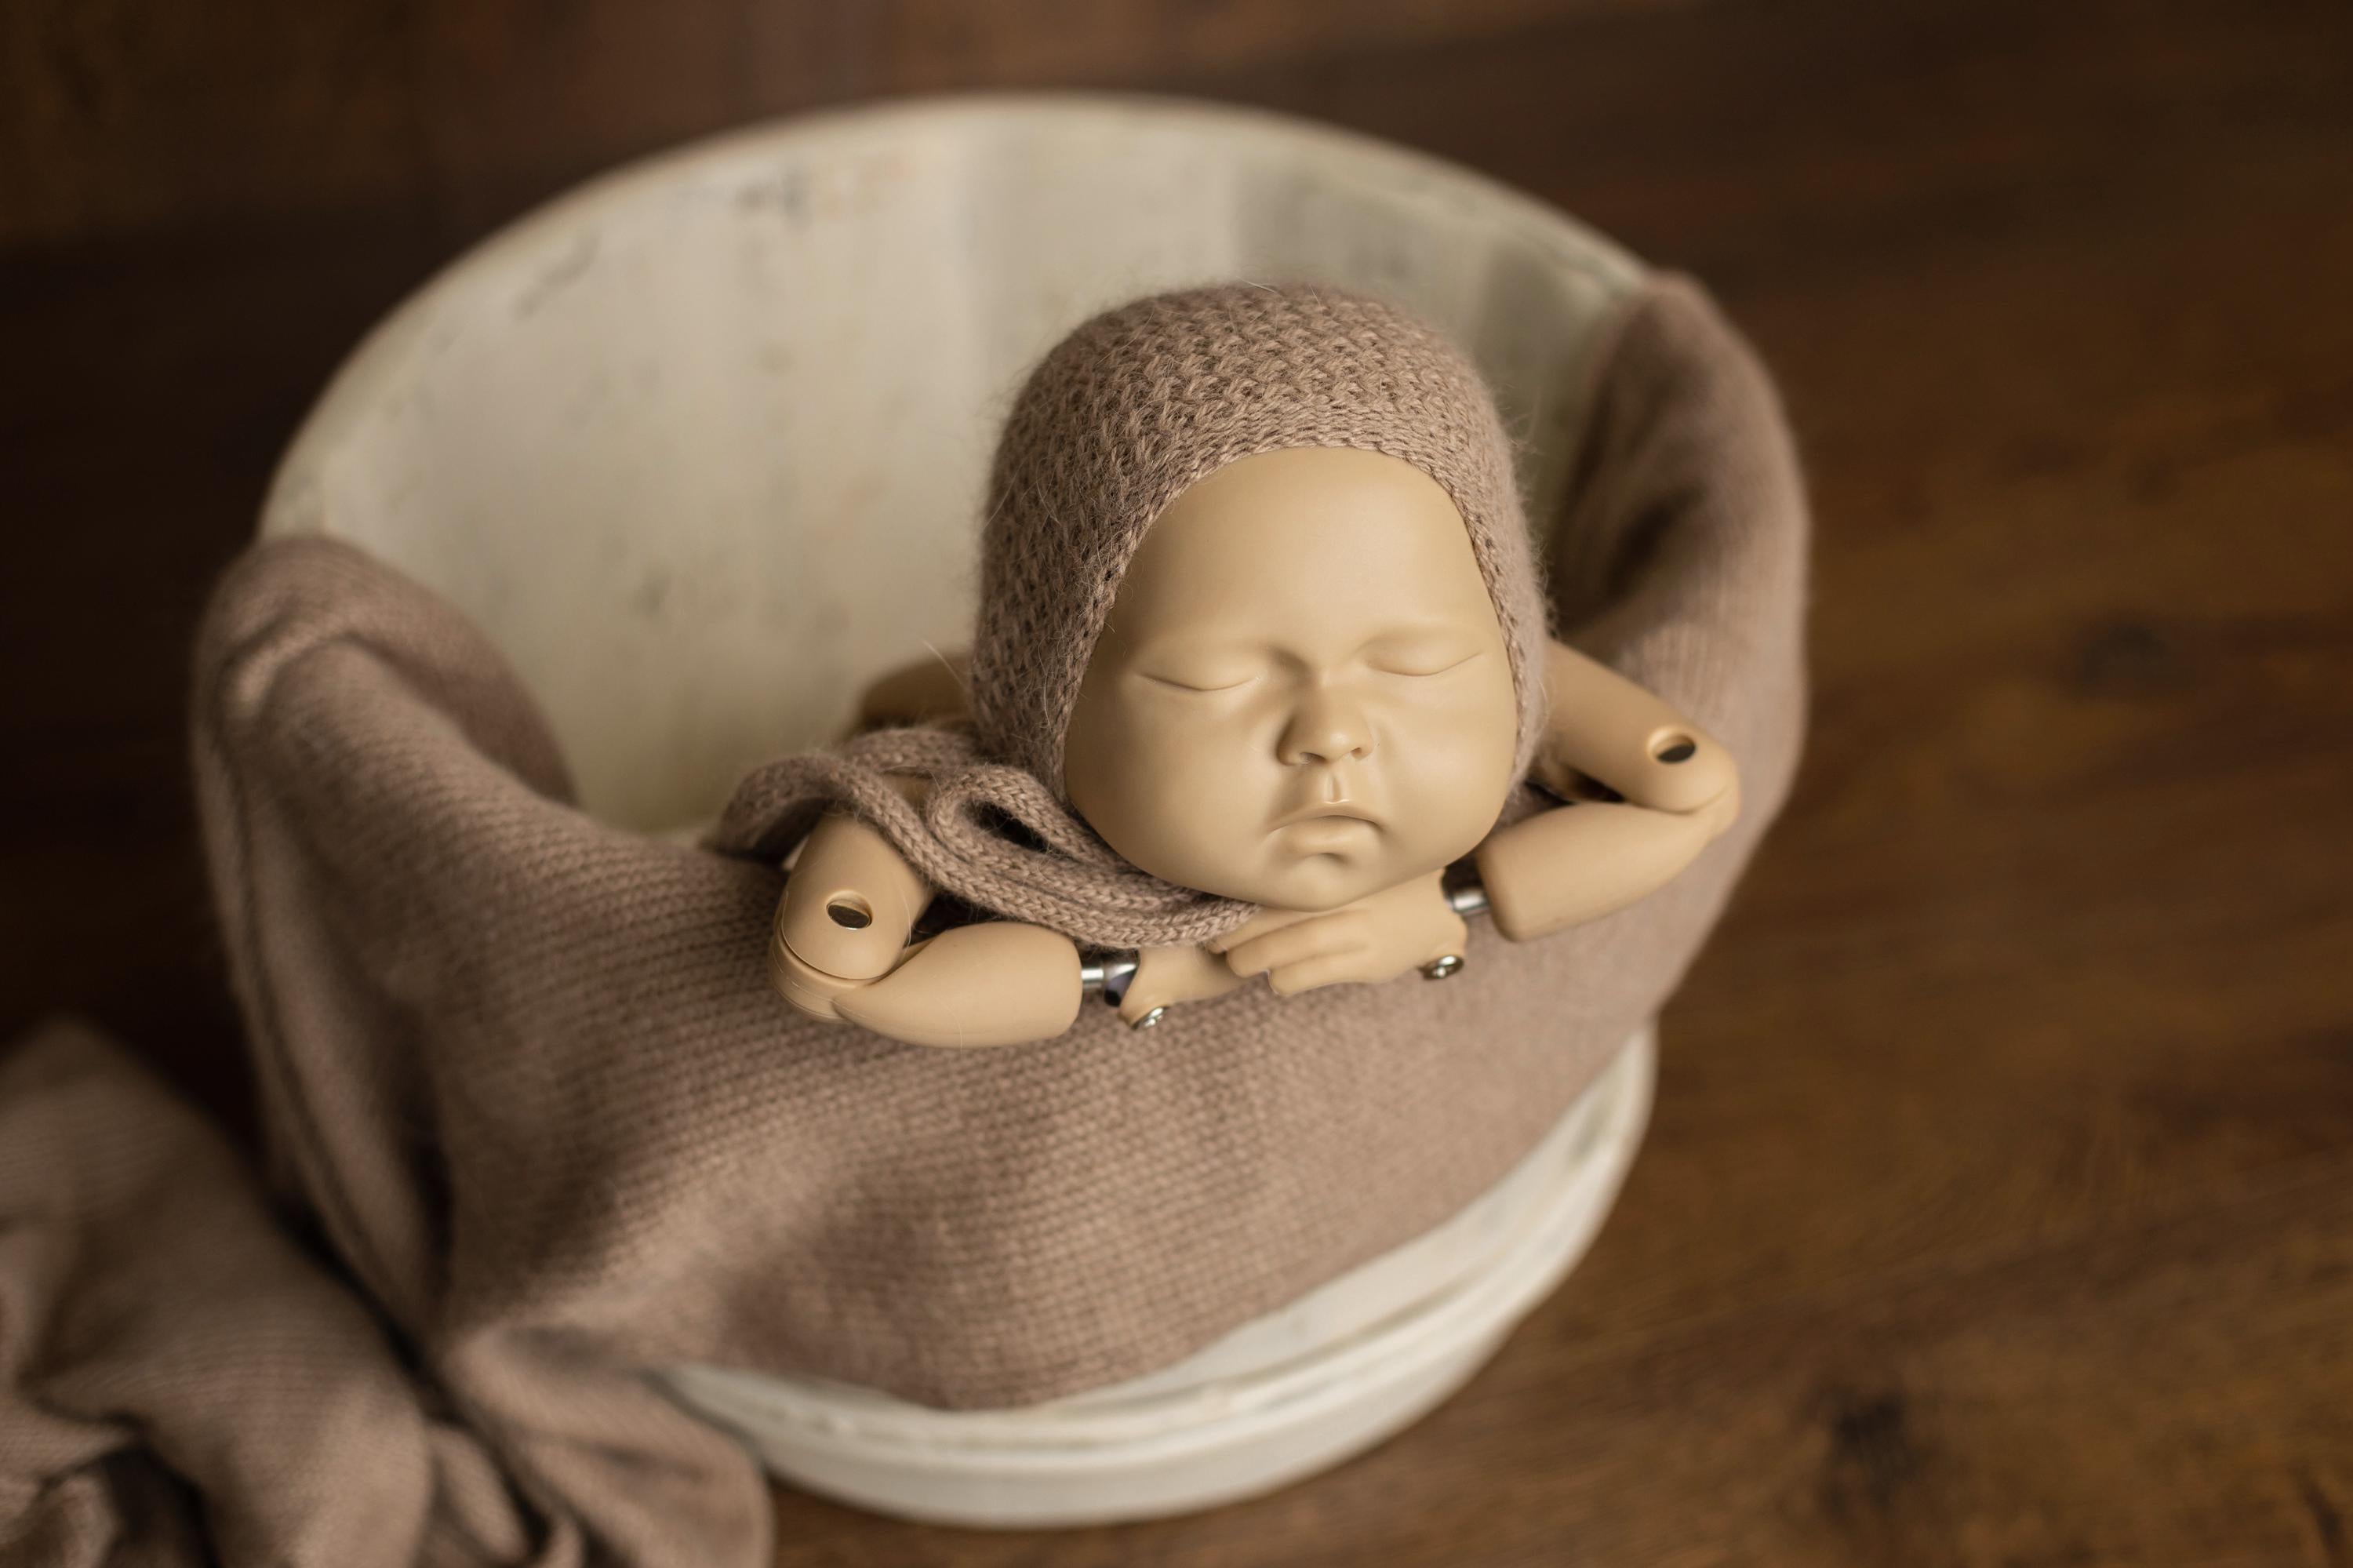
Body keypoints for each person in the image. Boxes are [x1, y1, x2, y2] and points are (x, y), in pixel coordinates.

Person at [715, 282, 1739, 1046]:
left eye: (1417, 664)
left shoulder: (1526, 705)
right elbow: (861, 934)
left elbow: (1685, 791)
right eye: (1215, 681)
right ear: (1045, 705)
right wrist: (1123, 966)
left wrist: (1434, 907)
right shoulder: (992, 796)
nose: (1332, 734)